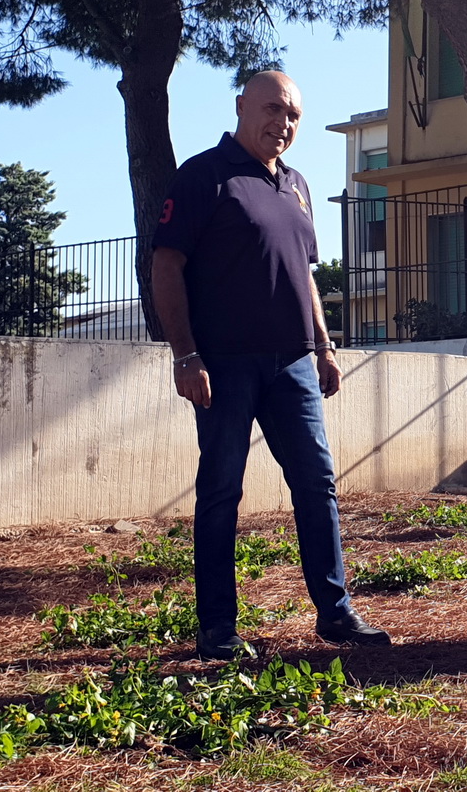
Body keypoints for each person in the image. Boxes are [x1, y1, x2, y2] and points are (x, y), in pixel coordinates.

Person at [152, 71, 389, 660]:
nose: (282, 123)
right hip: (224, 366)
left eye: (293, 116)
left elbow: (305, 275)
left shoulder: (299, 185)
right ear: (240, 106)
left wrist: (325, 347)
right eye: (272, 109)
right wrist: (186, 355)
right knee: (221, 491)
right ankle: (218, 629)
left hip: (293, 367)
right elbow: (166, 265)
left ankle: (335, 614)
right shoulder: (204, 176)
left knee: (317, 485)